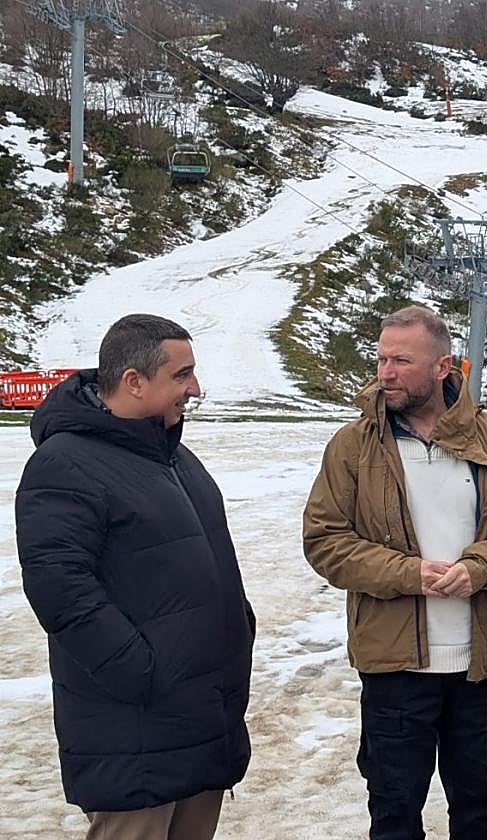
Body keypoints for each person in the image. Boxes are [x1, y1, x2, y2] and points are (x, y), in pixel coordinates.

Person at [303, 306, 487, 840]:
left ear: (444, 367)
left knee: (481, 812)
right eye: (381, 359)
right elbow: (325, 541)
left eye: (400, 361)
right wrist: (407, 573)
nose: (385, 373)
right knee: (394, 815)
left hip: (476, 664)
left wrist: (480, 567)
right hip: (394, 669)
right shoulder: (352, 446)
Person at [15, 314, 255, 840]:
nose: (195, 389)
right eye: (182, 375)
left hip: (199, 720)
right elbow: (61, 592)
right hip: (134, 731)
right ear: (133, 381)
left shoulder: (174, 457)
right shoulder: (65, 464)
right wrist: (143, 673)